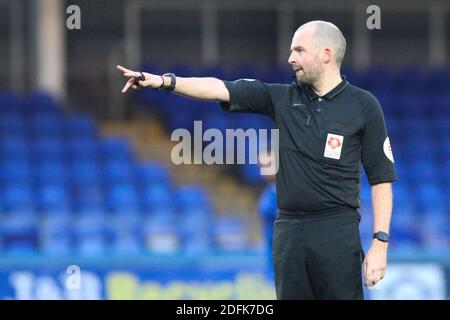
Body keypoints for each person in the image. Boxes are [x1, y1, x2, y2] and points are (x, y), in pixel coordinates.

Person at [117, 20, 396, 300]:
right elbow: (219, 88)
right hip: (289, 232)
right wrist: (165, 82)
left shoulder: (364, 106)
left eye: (299, 50)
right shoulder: (281, 98)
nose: (290, 59)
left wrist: (380, 243)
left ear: (326, 54)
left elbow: (381, 178)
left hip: (337, 231)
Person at [257, 151, 278, 281]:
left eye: (268, 164)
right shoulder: (268, 193)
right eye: (262, 166)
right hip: (272, 252)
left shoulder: (292, 191)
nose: (264, 170)